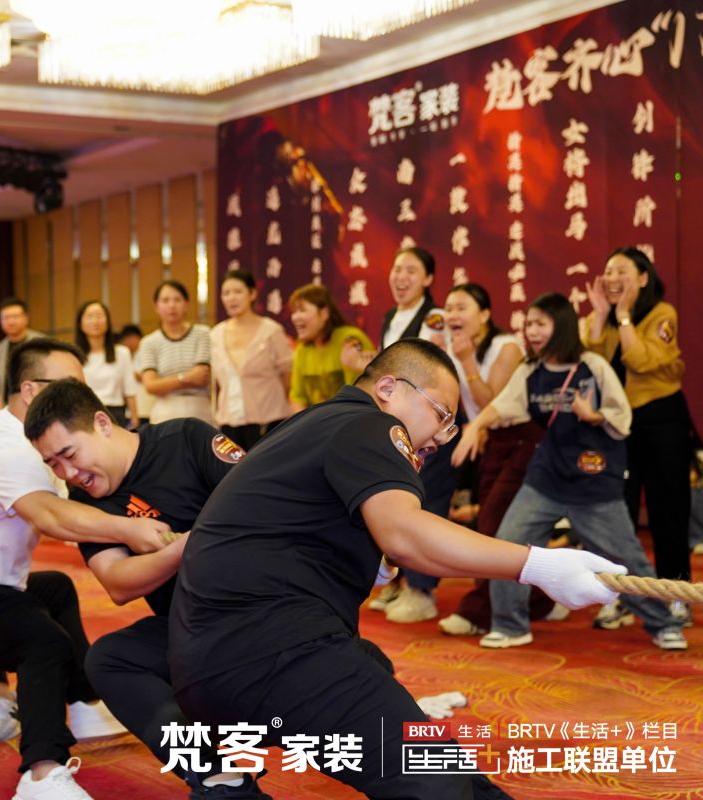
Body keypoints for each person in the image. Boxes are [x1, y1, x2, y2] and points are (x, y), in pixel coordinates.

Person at [169, 338, 621, 798]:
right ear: (388, 388)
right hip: (272, 650)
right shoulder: (370, 422)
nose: (440, 438)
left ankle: (226, 790)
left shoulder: (319, 423)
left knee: (433, 751)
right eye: (440, 415)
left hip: (210, 663)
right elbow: (406, 536)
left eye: (451, 426)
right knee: (437, 786)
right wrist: (539, 564)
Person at [0, 338, 172, 800]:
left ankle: (83, 702)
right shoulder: (6, 448)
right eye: (69, 385)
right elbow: (51, 517)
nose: (78, 397)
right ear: (30, 390)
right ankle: (41, 773)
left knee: (55, 589)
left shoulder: (34, 443)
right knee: (42, 639)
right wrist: (130, 529)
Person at [24, 379, 269, 799]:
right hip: (194, 631)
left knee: (365, 734)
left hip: (263, 612)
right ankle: (218, 779)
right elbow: (117, 582)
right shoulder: (86, 502)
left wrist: (192, 541)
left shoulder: (186, 439)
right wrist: (180, 548)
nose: (68, 473)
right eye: (53, 465)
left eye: (69, 454)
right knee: (109, 660)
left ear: (102, 424)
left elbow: (263, 505)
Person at [453, 293, 686, 652]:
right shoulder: (530, 370)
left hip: (594, 485)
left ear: (561, 326)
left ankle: (664, 624)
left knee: (626, 561)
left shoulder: (592, 365)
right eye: (529, 324)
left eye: (540, 324)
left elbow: (622, 416)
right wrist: (476, 427)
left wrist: (595, 416)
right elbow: (502, 405)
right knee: (509, 545)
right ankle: (510, 625)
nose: (532, 331)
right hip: (545, 480)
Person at [434, 284, 554, 636]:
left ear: (485, 314)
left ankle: (478, 612)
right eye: (449, 307)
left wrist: (466, 360)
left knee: (494, 528)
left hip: (523, 441)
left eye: (462, 307)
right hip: (491, 442)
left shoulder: (506, 347)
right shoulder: (455, 348)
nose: (452, 315)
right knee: (496, 526)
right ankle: (541, 601)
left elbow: (494, 402)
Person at [583, 247, 693, 627]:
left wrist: (624, 316)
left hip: (661, 420)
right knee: (619, 512)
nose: (612, 279)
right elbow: (591, 363)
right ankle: (622, 596)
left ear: (643, 278)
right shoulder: (601, 317)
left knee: (668, 511)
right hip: (617, 425)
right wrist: (601, 315)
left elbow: (642, 360)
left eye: (622, 272)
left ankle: (676, 593)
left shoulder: (662, 314)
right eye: (608, 271)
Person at [372, 246, 455, 624]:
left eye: (410, 270)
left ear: (428, 279)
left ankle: (422, 591)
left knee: (426, 502)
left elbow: (432, 373)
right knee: (393, 497)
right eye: (396, 269)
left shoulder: (435, 318)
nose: (400, 277)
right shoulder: (391, 316)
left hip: (429, 424)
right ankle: (397, 581)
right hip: (398, 424)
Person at [210, 269, 292, 451]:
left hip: (268, 422)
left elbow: (287, 376)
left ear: (252, 294)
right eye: (226, 293)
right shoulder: (215, 335)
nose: (231, 298)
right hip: (229, 423)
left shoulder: (271, 331)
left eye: (238, 292)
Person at [287, 283, 374, 413]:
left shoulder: (350, 340)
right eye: (294, 311)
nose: (295, 317)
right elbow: (297, 397)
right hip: (316, 423)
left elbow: (362, 392)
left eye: (302, 310)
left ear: (324, 313)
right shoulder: (301, 350)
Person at [137, 280, 212, 425]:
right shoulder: (149, 342)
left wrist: (165, 383)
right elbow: (151, 386)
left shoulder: (203, 334)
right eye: (165, 300)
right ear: (156, 306)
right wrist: (186, 377)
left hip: (200, 409)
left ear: (186, 304)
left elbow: (201, 377)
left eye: (177, 300)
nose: (171, 305)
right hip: (164, 412)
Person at [74, 300, 138, 428]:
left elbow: (129, 390)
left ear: (108, 322)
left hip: (115, 414)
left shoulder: (122, 353)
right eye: (89, 316)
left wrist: (135, 418)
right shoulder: (74, 355)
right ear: (80, 324)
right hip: (84, 414)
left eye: (99, 315)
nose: (95, 321)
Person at [0, 297, 45, 412]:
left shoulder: (40, 342)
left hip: (37, 407)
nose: (10, 322)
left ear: (26, 318)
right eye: (6, 318)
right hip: (7, 408)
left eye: (15, 316)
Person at [118, 323, 154, 426]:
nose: (124, 343)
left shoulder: (145, 351)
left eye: (125, 340)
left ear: (133, 337)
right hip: (136, 407)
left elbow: (142, 376)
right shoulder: (130, 354)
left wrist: (125, 374)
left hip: (146, 405)